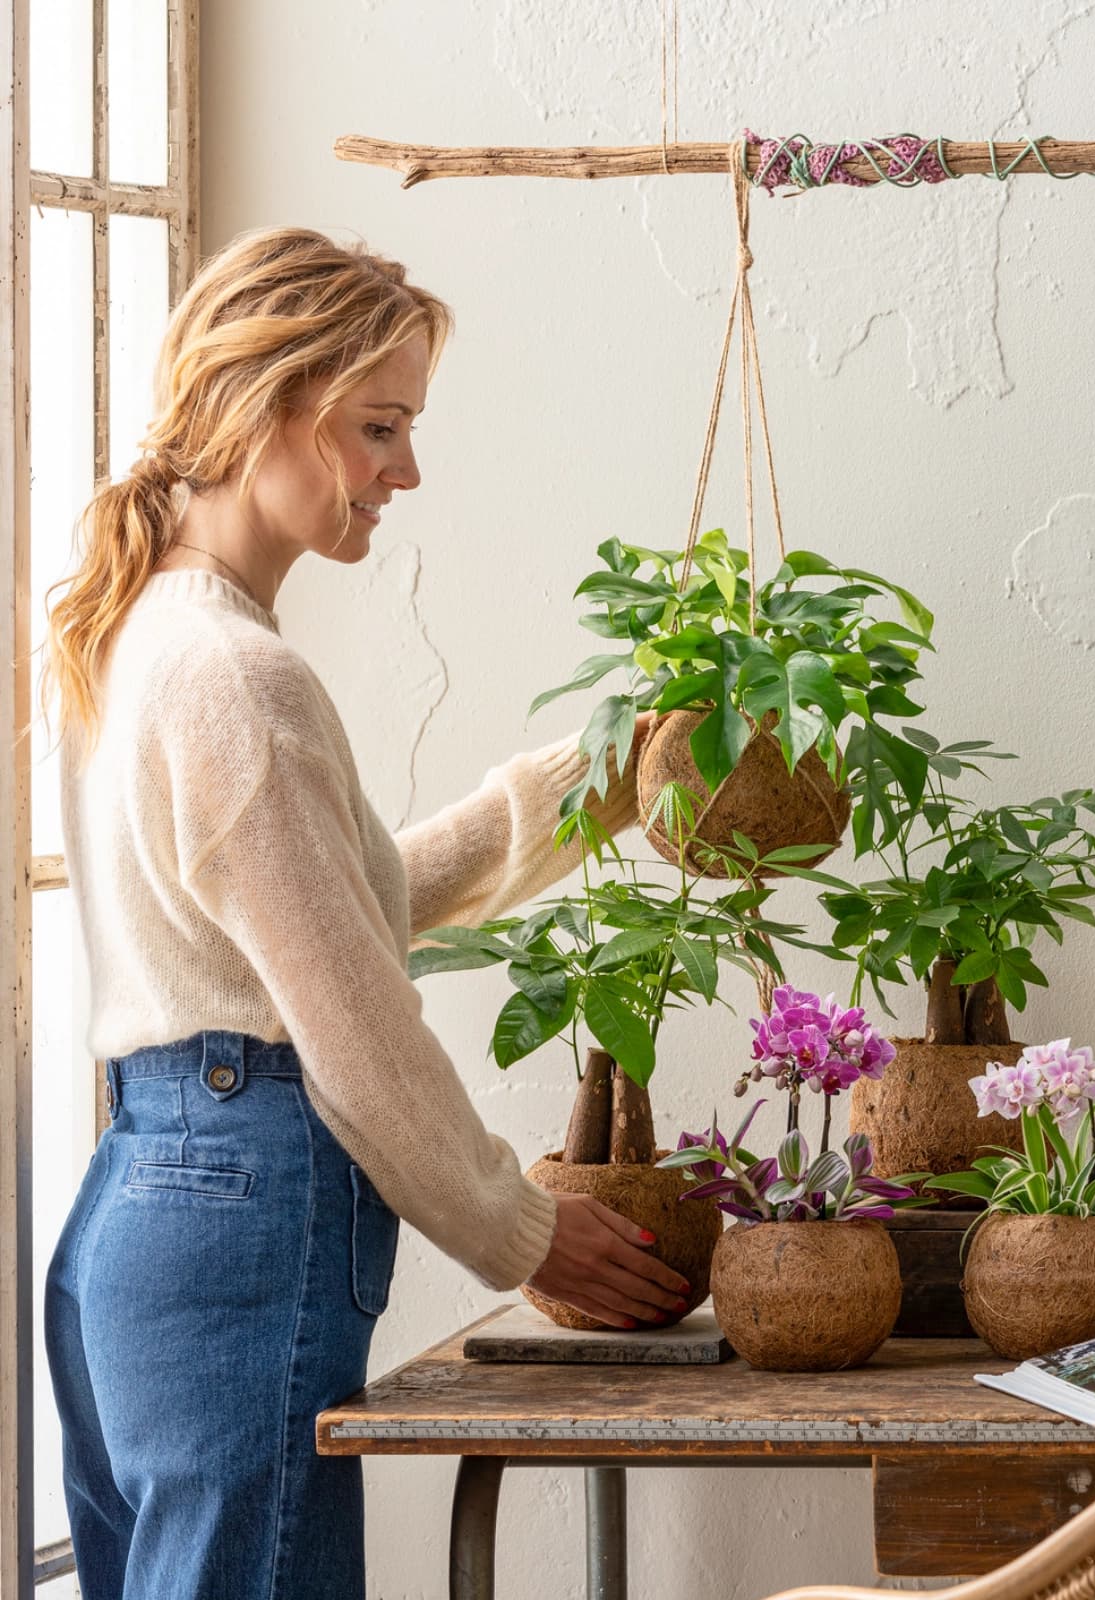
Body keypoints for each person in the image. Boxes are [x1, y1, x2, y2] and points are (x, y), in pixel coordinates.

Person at [40, 226, 686, 1600]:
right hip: (241, 1219)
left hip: (140, 1210)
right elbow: (350, 1019)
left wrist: (604, 773)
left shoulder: (141, 634)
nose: (407, 471)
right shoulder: (234, 674)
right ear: (265, 405)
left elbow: (332, 907)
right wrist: (519, 1226)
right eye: (378, 426)